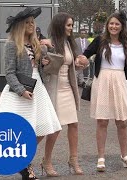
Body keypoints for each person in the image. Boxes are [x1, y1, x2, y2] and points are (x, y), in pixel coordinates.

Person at [0, 7, 62, 179]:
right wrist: (21, 91)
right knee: (22, 129)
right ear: (20, 25)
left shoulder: (35, 44)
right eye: (27, 22)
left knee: (46, 126)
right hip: (20, 91)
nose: (31, 25)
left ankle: (22, 158)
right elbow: (9, 73)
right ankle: (25, 165)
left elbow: (38, 68)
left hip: (37, 87)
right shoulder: (11, 45)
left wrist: (44, 63)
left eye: (33, 22)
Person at [81, 10, 127, 172]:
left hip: (119, 81)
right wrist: (80, 60)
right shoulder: (100, 41)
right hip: (103, 81)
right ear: (107, 25)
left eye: (116, 24)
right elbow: (85, 55)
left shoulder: (126, 44)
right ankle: (101, 157)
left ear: (122, 27)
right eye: (111, 23)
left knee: (121, 121)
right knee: (102, 121)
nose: (113, 26)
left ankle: (124, 155)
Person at [40, 12, 85, 175]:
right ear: (60, 25)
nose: (71, 28)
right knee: (54, 128)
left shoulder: (69, 43)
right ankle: (47, 161)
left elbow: (70, 67)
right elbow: (43, 71)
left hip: (68, 89)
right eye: (68, 25)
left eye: (72, 25)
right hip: (54, 89)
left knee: (73, 124)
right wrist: (45, 60)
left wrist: (80, 65)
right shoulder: (48, 44)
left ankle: (73, 160)